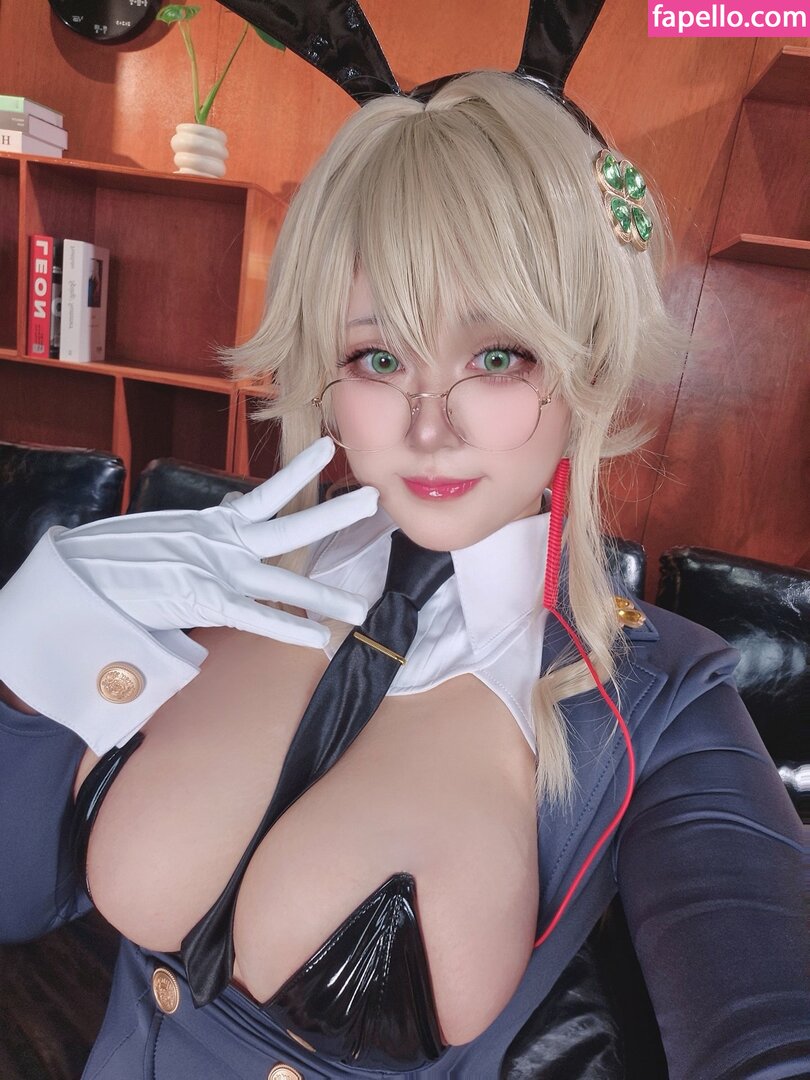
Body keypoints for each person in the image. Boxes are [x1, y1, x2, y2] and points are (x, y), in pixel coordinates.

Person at [0, 65, 807, 1080]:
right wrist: (39, 625)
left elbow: (768, 1015)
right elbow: (15, 897)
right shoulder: (204, 577)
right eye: (380, 359)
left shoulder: (661, 699)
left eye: (498, 356)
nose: (430, 427)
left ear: (589, 367)